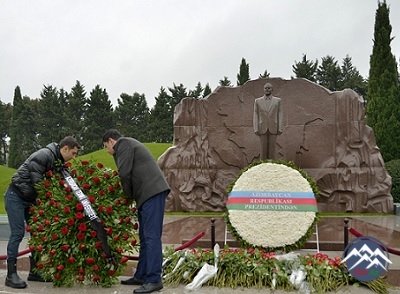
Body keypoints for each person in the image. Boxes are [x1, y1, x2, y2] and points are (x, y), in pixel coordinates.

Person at [4, 136, 81, 289]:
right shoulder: (43, 156)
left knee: (38, 233)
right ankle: (10, 275)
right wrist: (54, 199)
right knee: (18, 233)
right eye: (73, 153)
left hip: (30, 198)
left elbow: (61, 180)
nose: (74, 157)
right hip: (16, 197)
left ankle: (35, 271)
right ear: (65, 149)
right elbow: (39, 183)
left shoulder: (57, 159)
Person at [102, 129, 170, 294]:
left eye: (105, 147)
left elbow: (124, 173)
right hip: (147, 194)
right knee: (145, 236)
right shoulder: (129, 144)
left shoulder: (123, 144)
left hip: (152, 192)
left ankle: (154, 279)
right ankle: (142, 275)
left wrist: (126, 197)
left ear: (111, 141)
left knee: (151, 236)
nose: (107, 151)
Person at [253, 82, 283, 160]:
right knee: (263, 149)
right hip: (262, 127)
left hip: (273, 127)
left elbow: (280, 113)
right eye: (265, 88)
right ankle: (263, 166)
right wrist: (255, 128)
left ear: (272, 89)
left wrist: (280, 128)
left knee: (272, 150)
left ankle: (272, 166)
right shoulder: (258, 101)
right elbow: (256, 114)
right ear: (263, 89)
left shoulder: (277, 101)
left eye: (269, 88)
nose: (267, 89)